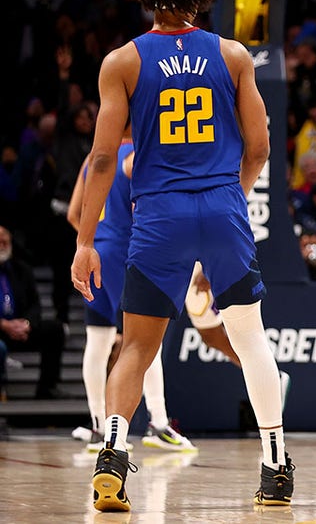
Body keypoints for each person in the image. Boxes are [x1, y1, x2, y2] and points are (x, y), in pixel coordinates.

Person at [69, 0, 294, 512]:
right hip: (220, 206)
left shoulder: (123, 61)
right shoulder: (233, 54)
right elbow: (261, 145)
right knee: (250, 340)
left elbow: (101, 158)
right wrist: (233, 197)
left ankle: (113, 457)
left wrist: (86, 239)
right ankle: (274, 467)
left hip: (158, 216)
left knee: (137, 347)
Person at [66, 137, 199, 452]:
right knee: (144, 339)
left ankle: (99, 425)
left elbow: (74, 213)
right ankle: (159, 422)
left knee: (98, 342)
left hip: (96, 250)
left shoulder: (92, 159)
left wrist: (94, 242)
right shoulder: (135, 154)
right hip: (124, 253)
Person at [0, 225, 65, 400]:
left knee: (55, 329)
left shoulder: (21, 269)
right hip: (1, 329)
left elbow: (35, 305)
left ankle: (47, 388)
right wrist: (4, 325)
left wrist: (26, 324)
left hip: (20, 327)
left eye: (5, 239)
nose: (3, 243)